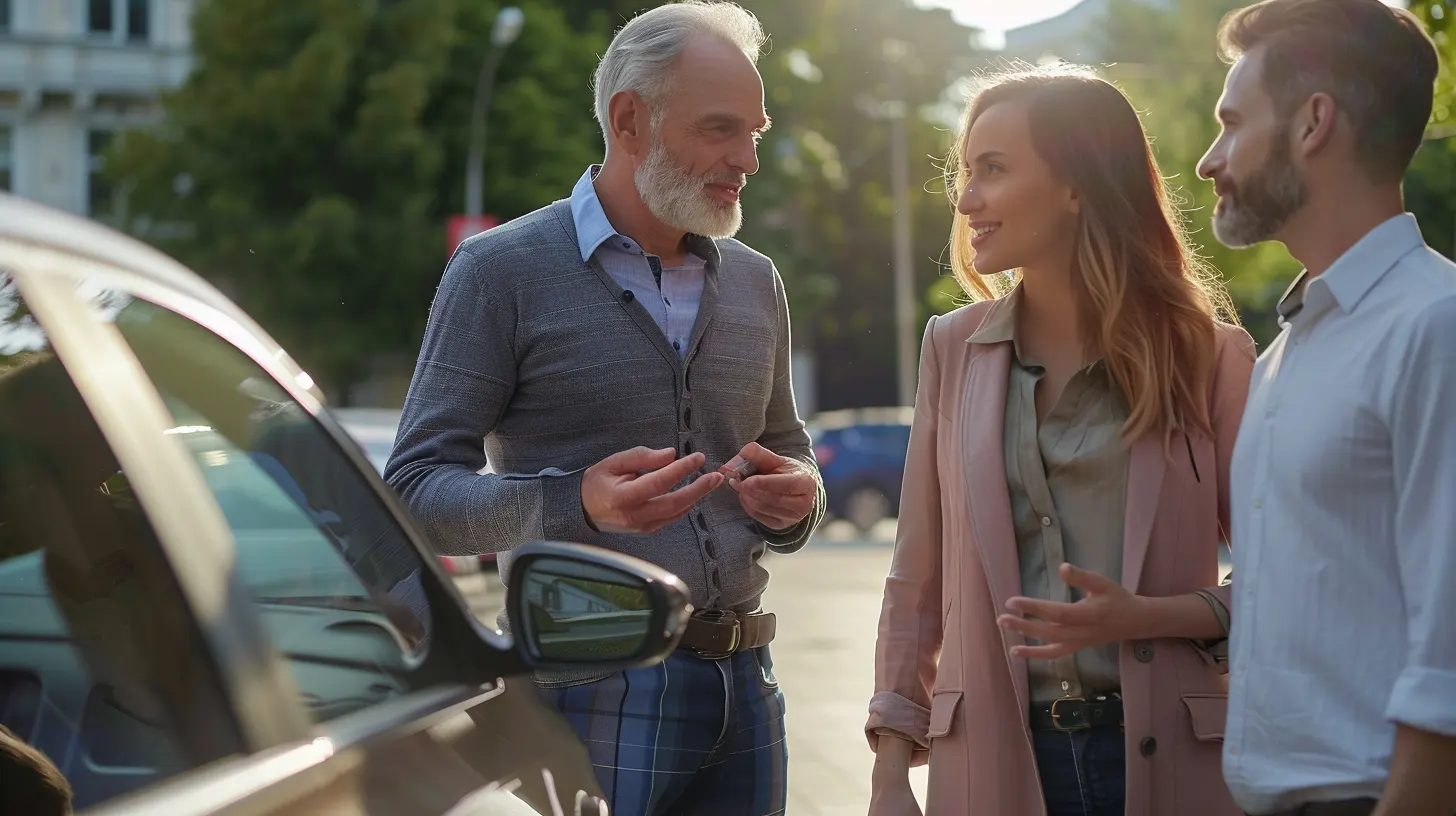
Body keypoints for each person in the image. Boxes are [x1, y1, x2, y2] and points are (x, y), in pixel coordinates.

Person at [385, 2, 824, 814]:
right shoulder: (500, 271)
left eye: (756, 132)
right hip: (591, 690)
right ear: (630, 121)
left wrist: (798, 497)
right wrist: (570, 500)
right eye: (722, 128)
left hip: (749, 682)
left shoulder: (759, 280)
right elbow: (413, 493)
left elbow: (787, 446)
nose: (749, 159)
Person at [866, 64, 1256, 816]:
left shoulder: (1211, 356)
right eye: (964, 171)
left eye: (994, 169)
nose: (965, 197)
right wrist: (890, 774)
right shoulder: (952, 347)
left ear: (1077, 186)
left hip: (1174, 765)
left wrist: (1152, 617)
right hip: (992, 764)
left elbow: (1287, 579)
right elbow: (916, 581)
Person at [1196, 2, 1456, 815]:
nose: (1209, 160)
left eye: (1232, 123)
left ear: (1314, 123)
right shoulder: (1287, 351)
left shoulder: (1435, 328)